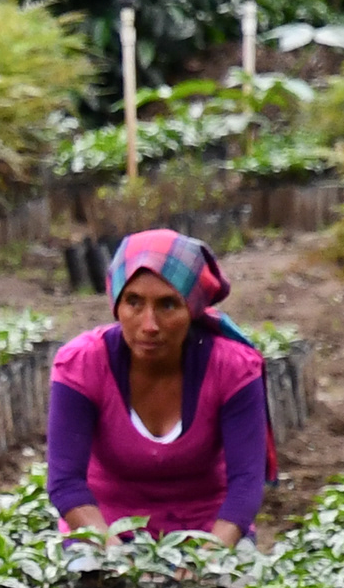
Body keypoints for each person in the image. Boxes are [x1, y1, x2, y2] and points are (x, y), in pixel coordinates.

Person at [48, 230, 271, 544]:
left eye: (167, 305)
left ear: (191, 310)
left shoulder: (232, 368)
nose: (149, 324)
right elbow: (65, 483)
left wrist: (208, 556)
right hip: (105, 534)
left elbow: (246, 483)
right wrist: (116, 557)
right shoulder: (81, 365)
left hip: (206, 534)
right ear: (117, 305)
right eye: (134, 302)